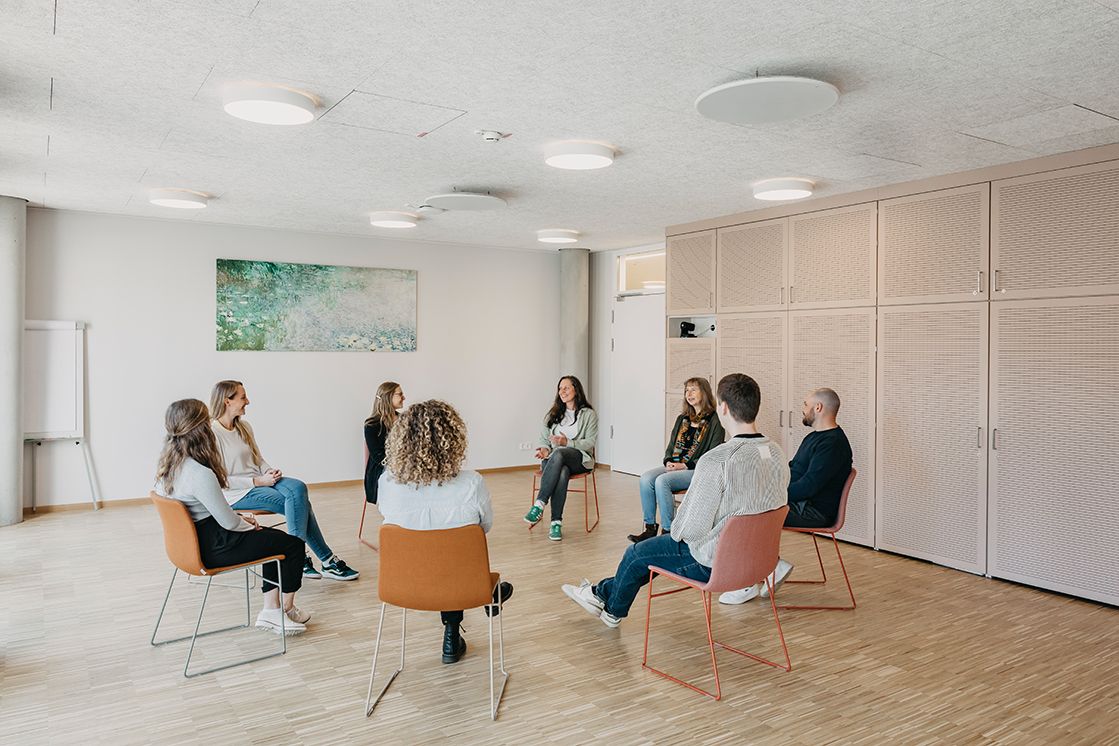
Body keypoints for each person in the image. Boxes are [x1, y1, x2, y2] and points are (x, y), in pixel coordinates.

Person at [561, 374, 789, 627]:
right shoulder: (775, 453)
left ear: (723, 407)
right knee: (650, 553)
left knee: (636, 554)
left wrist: (675, 530)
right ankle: (599, 594)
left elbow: (686, 530)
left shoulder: (717, 460)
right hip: (757, 561)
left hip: (714, 562)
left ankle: (610, 608)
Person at [154, 399, 310, 634]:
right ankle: (282, 610)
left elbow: (215, 513)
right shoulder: (200, 473)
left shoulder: (168, 467)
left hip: (189, 546)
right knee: (292, 544)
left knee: (270, 541)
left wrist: (240, 520)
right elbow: (228, 522)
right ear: (200, 429)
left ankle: (271, 609)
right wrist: (250, 525)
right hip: (215, 548)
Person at [377, 400, 513, 664]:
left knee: (439, 552)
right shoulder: (472, 483)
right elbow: (484, 527)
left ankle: (455, 630)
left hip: (404, 583)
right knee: (455, 552)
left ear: (401, 441)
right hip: (460, 582)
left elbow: (387, 516)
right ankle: (462, 621)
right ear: (453, 439)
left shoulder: (388, 483)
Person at [209, 380, 359, 581]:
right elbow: (220, 479)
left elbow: (257, 458)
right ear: (227, 401)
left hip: (261, 481)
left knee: (298, 487)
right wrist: (258, 481)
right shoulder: (212, 433)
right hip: (237, 493)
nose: (248, 401)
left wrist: (269, 471)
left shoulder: (244, 427)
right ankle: (319, 559)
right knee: (300, 505)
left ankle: (303, 557)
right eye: (243, 397)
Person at [718, 386, 853, 605]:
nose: (803, 408)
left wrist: (770, 495)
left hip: (813, 511)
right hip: (798, 504)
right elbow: (792, 471)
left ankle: (750, 580)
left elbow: (809, 486)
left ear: (818, 408)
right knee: (744, 505)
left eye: (805, 404)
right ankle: (770, 567)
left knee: (746, 515)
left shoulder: (833, 444)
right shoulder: (815, 438)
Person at [627, 377, 725, 543]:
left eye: (693, 389)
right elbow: (671, 446)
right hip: (675, 466)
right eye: (686, 390)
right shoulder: (683, 419)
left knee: (662, 482)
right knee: (646, 479)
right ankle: (650, 528)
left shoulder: (715, 421)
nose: (689, 393)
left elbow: (712, 455)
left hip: (696, 469)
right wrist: (668, 462)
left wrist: (685, 465)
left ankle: (669, 531)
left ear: (705, 393)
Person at [523, 375, 599, 542]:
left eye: (566, 388)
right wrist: (544, 450)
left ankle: (539, 504)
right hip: (555, 461)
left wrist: (567, 442)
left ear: (576, 390)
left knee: (560, 453)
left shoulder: (589, 414)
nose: (562, 391)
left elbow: (590, 442)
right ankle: (556, 523)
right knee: (562, 471)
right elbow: (544, 440)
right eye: (560, 388)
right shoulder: (553, 414)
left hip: (579, 459)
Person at [364, 381, 405, 505]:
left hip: (405, 467)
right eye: (400, 394)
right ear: (388, 397)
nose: (404, 397)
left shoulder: (406, 420)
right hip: (384, 469)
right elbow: (378, 456)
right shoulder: (372, 425)